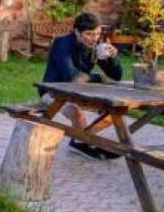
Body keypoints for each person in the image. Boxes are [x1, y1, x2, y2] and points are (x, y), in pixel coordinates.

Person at [40, 12, 122, 160]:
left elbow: (116, 76)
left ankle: (84, 140)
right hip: (53, 92)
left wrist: (114, 57)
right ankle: (83, 143)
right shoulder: (61, 44)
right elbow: (72, 78)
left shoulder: (96, 46)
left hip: (80, 93)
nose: (94, 38)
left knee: (112, 109)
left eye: (97, 34)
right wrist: (98, 78)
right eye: (89, 34)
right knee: (77, 113)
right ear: (77, 31)